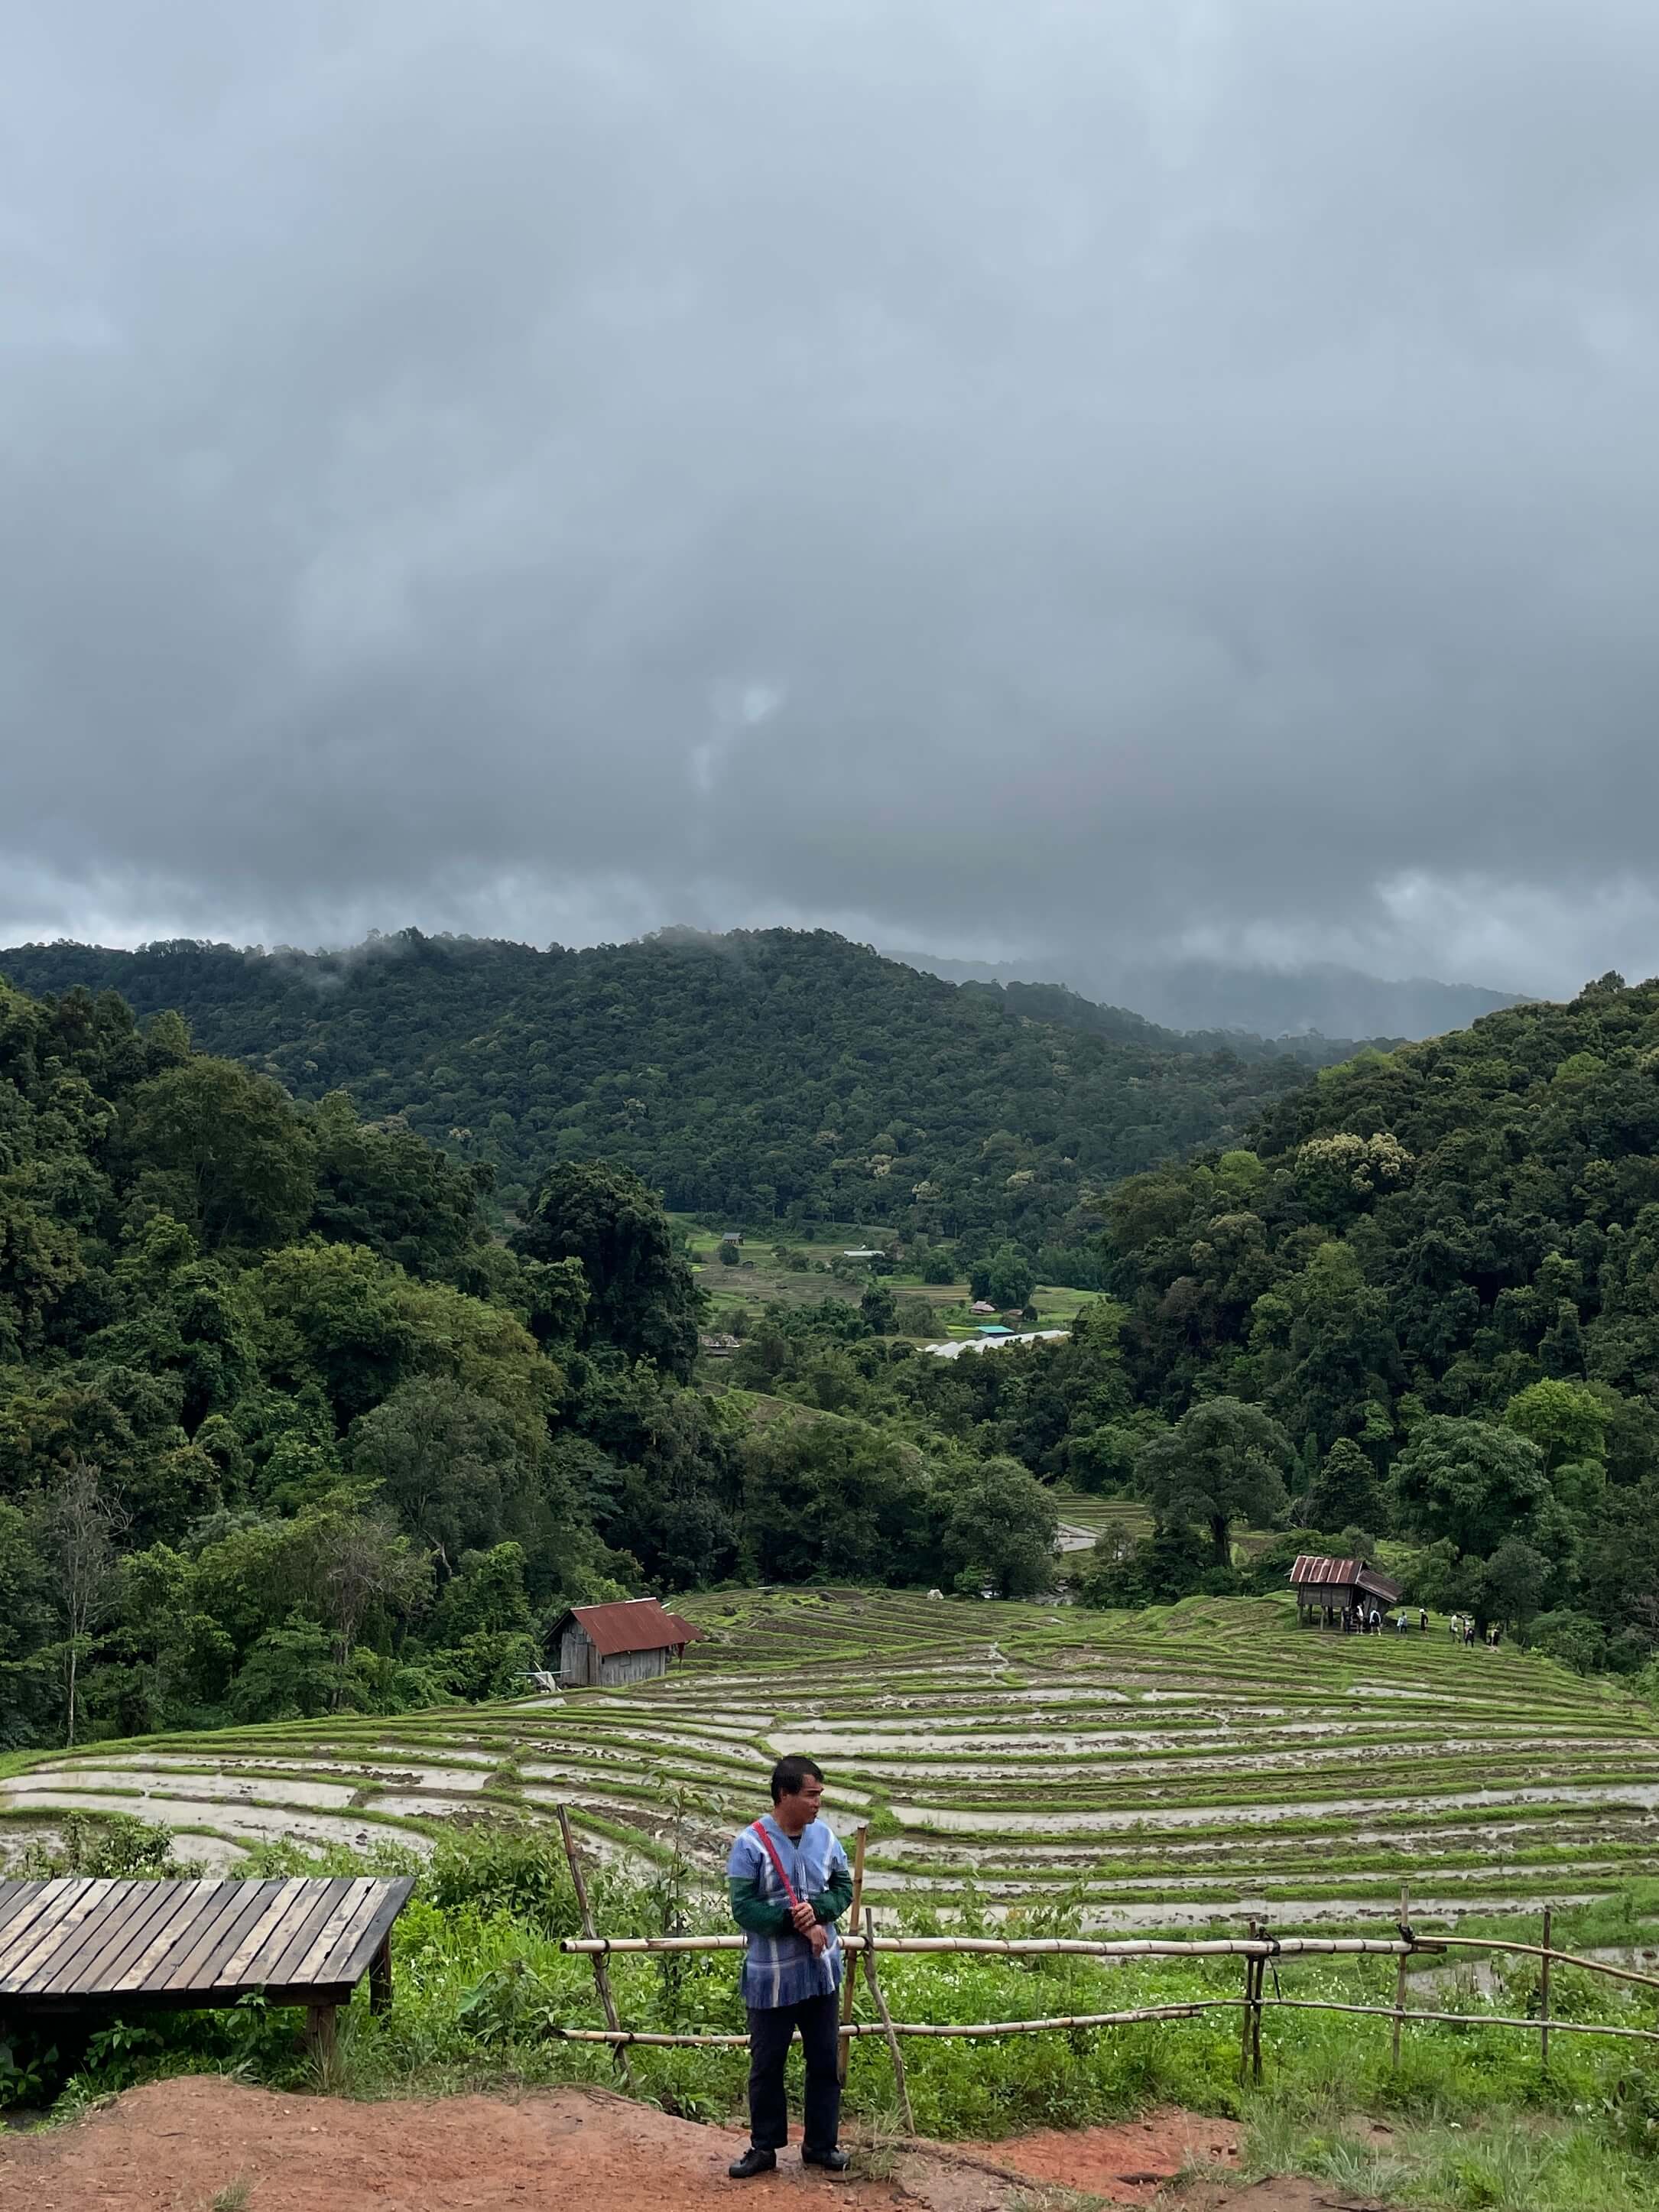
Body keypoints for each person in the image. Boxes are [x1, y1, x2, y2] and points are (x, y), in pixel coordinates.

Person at [726, 1754, 855, 2180]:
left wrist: (817, 1913)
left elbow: (842, 1887)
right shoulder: (750, 1844)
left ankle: (821, 2144)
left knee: (823, 2061)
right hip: (772, 1977)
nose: (818, 1803)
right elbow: (743, 1908)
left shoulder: (825, 1838)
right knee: (767, 2065)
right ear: (785, 1795)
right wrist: (792, 1922)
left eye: (819, 1794)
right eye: (811, 1794)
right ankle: (764, 2147)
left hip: (821, 1974)